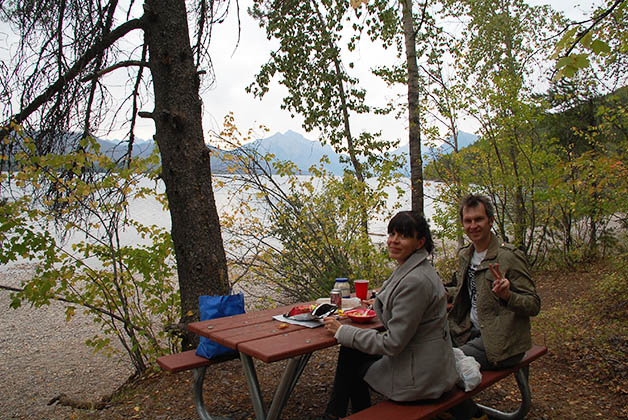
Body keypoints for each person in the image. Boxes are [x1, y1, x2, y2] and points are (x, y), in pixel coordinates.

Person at [317, 211, 458, 420]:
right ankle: (342, 413)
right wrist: (378, 304)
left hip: (421, 377)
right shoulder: (417, 268)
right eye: (391, 234)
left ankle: (336, 414)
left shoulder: (415, 281)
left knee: (351, 356)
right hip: (429, 362)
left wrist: (343, 331)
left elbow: (394, 343)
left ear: (420, 242)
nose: (393, 240)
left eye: (402, 236)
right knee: (352, 352)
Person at [446, 194, 541, 420]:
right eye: (468, 221)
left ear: (490, 220)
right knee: (424, 346)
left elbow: (534, 304)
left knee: (442, 365)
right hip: (468, 331)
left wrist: (508, 295)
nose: (473, 226)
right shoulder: (466, 255)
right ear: (462, 224)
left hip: (500, 340)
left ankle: (473, 415)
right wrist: (438, 291)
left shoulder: (508, 257)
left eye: (478, 219)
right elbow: (464, 290)